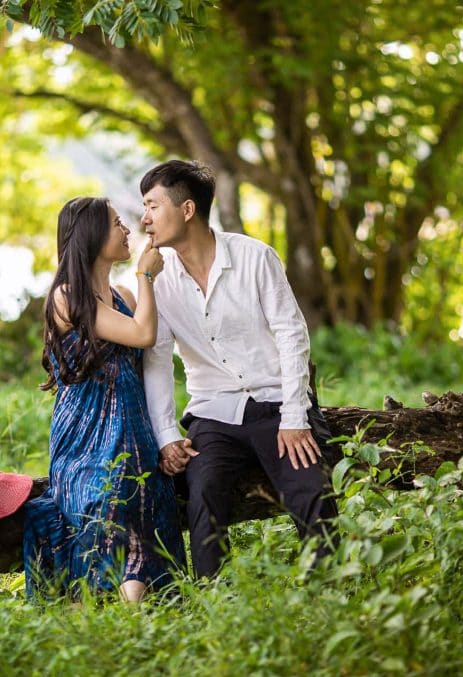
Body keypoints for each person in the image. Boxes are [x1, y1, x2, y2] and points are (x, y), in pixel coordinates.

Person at [140, 160, 338, 579]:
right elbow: (157, 361)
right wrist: (167, 436)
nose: (145, 220)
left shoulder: (255, 257)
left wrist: (295, 417)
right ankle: (214, 601)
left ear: (187, 209)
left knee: (310, 489)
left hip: (275, 402)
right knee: (202, 492)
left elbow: (292, 336)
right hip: (214, 412)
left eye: (153, 206)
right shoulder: (158, 278)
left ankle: (331, 590)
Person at [22, 196, 185, 603]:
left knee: (147, 500)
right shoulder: (66, 296)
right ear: (93, 235)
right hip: (87, 440)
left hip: (133, 433)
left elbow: (154, 351)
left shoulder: (122, 298)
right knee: (107, 499)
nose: (128, 229)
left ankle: (137, 602)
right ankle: (124, 602)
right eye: (117, 224)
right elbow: (142, 335)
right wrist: (145, 277)